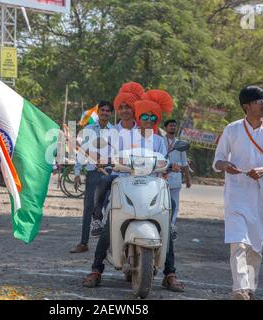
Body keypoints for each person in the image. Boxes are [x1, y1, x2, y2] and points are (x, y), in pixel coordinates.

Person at [83, 89, 184, 292]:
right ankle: (96, 270)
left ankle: (170, 273)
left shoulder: (158, 140)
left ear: (156, 119)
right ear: (139, 117)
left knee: (165, 220)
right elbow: (113, 155)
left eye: (152, 117)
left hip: (151, 185)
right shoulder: (125, 136)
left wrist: (172, 166)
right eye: (144, 116)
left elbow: (164, 160)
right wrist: (106, 160)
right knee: (110, 225)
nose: (148, 120)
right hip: (125, 183)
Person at [213, 86, 263, 300]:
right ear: (246, 106)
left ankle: (250, 290)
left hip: (262, 198)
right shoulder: (232, 129)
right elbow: (217, 161)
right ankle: (239, 290)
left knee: (255, 248)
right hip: (236, 194)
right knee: (238, 243)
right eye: (259, 101)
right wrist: (226, 165)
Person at [89, 82, 142, 236]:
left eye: (128, 107)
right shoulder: (111, 132)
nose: (125, 110)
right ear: (117, 111)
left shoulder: (143, 132)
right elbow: (104, 154)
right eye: (121, 107)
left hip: (140, 177)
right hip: (118, 176)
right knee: (103, 182)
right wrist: (102, 160)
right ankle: (97, 218)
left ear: (134, 109)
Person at [70, 101, 113, 253]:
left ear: (110, 114)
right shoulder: (88, 129)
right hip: (92, 173)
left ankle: (109, 246)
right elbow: (82, 152)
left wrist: (107, 163)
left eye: (108, 111)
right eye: (103, 110)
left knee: (109, 209)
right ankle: (83, 243)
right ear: (98, 112)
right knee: (89, 207)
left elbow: (117, 155)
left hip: (109, 174)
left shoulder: (114, 132)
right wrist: (76, 173)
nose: (105, 113)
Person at [163, 119, 191, 241]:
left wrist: (188, 179)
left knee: (174, 203)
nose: (173, 127)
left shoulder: (180, 143)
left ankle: (172, 226)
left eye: (174, 125)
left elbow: (184, 163)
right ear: (165, 127)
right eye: (170, 125)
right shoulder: (159, 141)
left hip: (175, 178)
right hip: (161, 176)